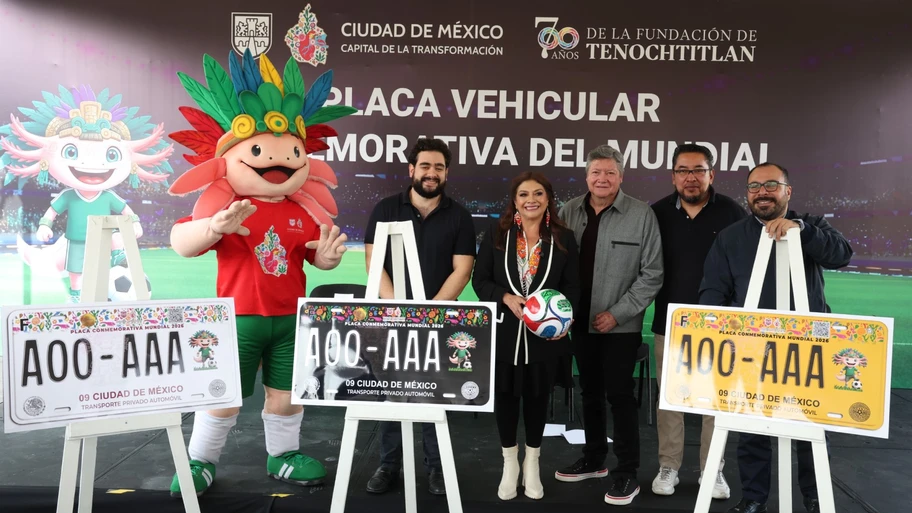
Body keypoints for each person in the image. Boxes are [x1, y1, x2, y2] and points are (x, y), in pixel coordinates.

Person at [166, 51, 355, 496]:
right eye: (259, 151)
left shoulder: (301, 212)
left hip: (290, 320)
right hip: (238, 319)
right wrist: (213, 227)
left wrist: (328, 261)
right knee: (223, 397)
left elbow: (314, 257)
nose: (280, 160)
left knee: (285, 396)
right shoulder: (226, 208)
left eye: (294, 152)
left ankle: (282, 455)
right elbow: (181, 243)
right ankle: (200, 460)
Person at [699, 162, 854, 513]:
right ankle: (754, 497)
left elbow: (842, 255)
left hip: (807, 348)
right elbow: (712, 292)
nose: (762, 192)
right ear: (747, 194)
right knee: (751, 428)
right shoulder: (731, 237)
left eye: (771, 185)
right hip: (751, 349)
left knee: (810, 426)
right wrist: (723, 334)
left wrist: (802, 231)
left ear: (788, 191)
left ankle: (814, 496)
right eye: (754, 187)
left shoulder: (812, 225)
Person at [363, 137, 476, 496]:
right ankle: (388, 464)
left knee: (435, 395)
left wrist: (430, 314)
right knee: (392, 394)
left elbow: (462, 270)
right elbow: (374, 263)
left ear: (446, 173)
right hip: (392, 320)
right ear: (412, 169)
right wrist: (400, 311)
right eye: (425, 166)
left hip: (438, 321)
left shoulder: (459, 216)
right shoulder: (385, 209)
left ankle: (437, 467)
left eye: (439, 167)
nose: (432, 173)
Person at [555, 145, 664, 506]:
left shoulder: (641, 215)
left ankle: (627, 472)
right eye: (596, 172)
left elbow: (652, 274)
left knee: (620, 396)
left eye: (610, 173)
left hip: (620, 327)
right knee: (588, 392)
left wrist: (617, 313)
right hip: (578, 322)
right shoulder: (569, 211)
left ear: (621, 176)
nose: (602, 179)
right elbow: (555, 263)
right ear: (586, 176)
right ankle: (594, 459)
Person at [472, 172, 581, 501]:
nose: (530, 199)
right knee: (505, 400)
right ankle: (510, 463)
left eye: (538, 193)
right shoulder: (497, 233)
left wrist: (563, 323)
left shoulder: (563, 237)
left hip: (544, 340)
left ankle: (532, 462)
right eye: (523, 194)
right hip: (505, 335)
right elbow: (481, 281)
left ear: (548, 199)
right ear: (514, 200)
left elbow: (573, 287)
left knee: (537, 400)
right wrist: (505, 297)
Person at [650, 143, 747, 498]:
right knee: (670, 400)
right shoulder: (657, 213)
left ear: (711, 174)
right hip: (670, 323)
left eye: (698, 170)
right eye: (683, 170)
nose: (690, 177)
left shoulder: (733, 213)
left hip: (720, 326)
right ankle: (669, 466)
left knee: (715, 402)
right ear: (673, 176)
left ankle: (712, 470)